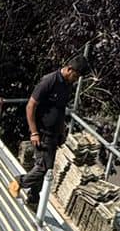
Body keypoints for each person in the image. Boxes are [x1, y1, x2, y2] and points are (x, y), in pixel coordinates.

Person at [17, 54, 87, 213]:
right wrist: (34, 132)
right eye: (75, 76)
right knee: (43, 169)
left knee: (45, 169)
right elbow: (30, 106)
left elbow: (60, 110)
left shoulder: (67, 85)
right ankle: (19, 182)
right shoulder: (49, 81)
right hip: (41, 132)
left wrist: (62, 131)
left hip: (54, 134)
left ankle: (33, 199)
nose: (75, 80)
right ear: (69, 69)